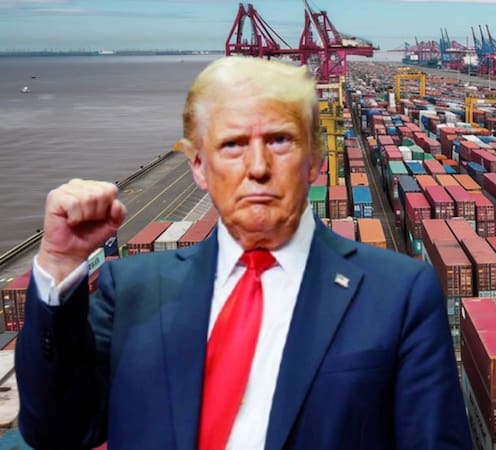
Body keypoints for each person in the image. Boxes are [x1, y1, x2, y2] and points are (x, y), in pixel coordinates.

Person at [16, 56, 471, 450]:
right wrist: (59, 263)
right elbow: (56, 431)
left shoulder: (401, 294)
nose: (257, 167)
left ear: (315, 160)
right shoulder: (130, 289)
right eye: (233, 144)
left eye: (279, 140)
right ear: (199, 166)